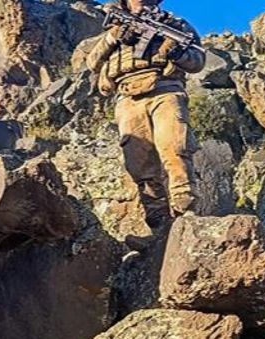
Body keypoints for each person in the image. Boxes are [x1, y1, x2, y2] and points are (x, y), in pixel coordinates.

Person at [86, 0, 205, 229]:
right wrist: (114, 36)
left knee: (174, 147)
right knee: (138, 161)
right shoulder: (115, 24)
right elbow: (92, 62)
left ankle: (186, 212)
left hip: (165, 89)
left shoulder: (175, 24)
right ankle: (158, 223)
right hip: (128, 96)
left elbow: (198, 61)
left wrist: (177, 52)